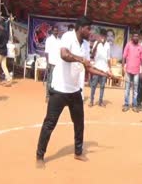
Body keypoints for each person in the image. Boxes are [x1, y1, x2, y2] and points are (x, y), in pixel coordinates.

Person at [36, 16, 112, 168]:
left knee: (79, 123)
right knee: (49, 123)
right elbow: (64, 55)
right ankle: (39, 155)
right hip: (59, 89)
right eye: (88, 28)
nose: (90, 32)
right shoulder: (67, 37)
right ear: (80, 27)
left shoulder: (84, 45)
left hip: (75, 91)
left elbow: (87, 67)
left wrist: (105, 74)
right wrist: (80, 59)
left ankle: (78, 152)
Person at [122, 31, 142, 112]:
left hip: (137, 72)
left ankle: (134, 105)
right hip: (128, 70)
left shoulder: (141, 47)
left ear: (139, 37)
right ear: (132, 37)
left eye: (137, 36)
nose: (136, 38)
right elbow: (124, 57)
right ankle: (126, 104)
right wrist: (122, 68)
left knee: (135, 89)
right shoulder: (128, 45)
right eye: (134, 36)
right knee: (127, 88)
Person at [89, 29, 111, 107]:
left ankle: (100, 101)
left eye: (104, 36)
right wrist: (97, 43)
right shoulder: (96, 43)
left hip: (104, 69)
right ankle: (91, 101)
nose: (102, 37)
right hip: (96, 68)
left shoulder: (108, 45)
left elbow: (108, 58)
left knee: (102, 86)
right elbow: (92, 54)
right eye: (101, 36)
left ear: (105, 37)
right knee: (93, 85)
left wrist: (109, 69)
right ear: (100, 36)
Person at [0, 20, 12, 86]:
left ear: (0, 26)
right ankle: (9, 78)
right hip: (4, 51)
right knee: (4, 66)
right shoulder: (7, 33)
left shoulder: (0, 33)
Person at [44, 25, 60, 102]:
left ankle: (54, 97)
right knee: (49, 81)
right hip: (51, 63)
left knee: (56, 81)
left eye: (57, 30)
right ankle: (47, 96)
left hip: (58, 64)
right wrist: (47, 63)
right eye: (54, 30)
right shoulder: (49, 40)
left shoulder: (59, 41)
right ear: (52, 31)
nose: (56, 32)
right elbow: (46, 53)